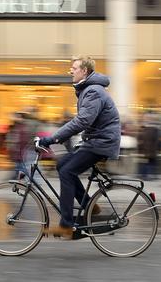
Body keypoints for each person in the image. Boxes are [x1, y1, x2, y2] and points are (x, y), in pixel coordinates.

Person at [39, 56, 121, 239]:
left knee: (67, 171)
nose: (71, 71)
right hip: (95, 140)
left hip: (101, 143)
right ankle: (90, 205)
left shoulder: (93, 91)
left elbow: (83, 121)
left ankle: (66, 225)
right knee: (62, 166)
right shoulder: (89, 90)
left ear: (84, 71)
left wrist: (53, 138)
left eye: (74, 68)